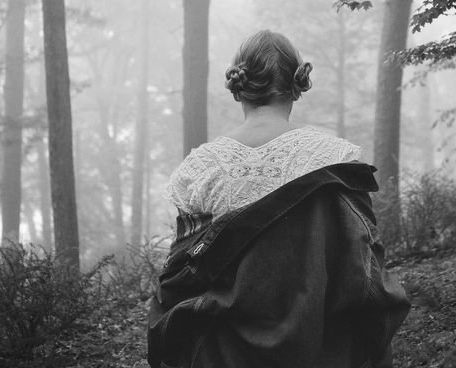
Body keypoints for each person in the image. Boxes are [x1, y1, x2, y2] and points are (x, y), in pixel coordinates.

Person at [149, 30, 410, 368]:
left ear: (238, 87)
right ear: (296, 85)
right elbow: (365, 273)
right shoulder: (335, 159)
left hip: (222, 355)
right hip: (322, 351)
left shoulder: (201, 170)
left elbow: (178, 281)